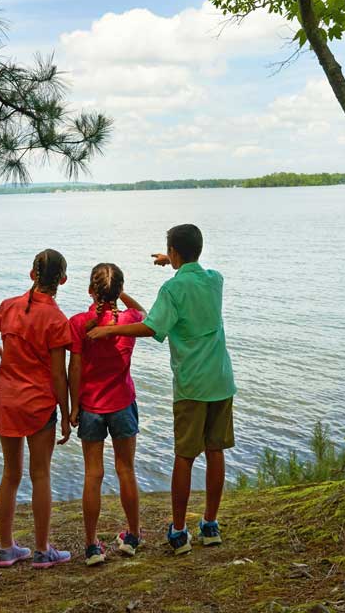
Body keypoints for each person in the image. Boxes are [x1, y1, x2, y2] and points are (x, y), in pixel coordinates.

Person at [87, 224, 235, 556]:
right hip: (221, 380)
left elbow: (153, 326)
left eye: (170, 252)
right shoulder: (216, 280)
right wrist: (174, 260)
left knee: (184, 457)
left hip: (192, 384)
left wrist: (108, 333)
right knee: (215, 452)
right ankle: (210, 525)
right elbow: (191, 273)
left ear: (174, 252)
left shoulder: (172, 290)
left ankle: (179, 532)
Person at [0, 248, 74, 569]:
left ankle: (6, 548)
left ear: (32, 275)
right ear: (63, 280)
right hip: (39, 406)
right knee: (40, 475)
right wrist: (68, 417)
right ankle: (42, 550)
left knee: (10, 474)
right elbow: (59, 374)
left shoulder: (8, 307)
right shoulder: (57, 319)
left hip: (8, 402)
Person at [68, 263, 146, 566]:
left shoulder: (79, 322)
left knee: (93, 474)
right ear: (119, 290)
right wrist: (121, 295)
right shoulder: (129, 319)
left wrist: (74, 406)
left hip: (90, 407)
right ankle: (133, 537)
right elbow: (147, 314)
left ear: (91, 290)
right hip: (123, 403)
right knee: (126, 470)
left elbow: (74, 367)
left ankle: (91, 546)